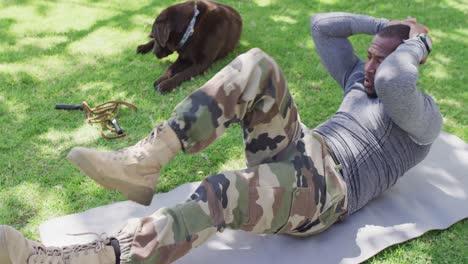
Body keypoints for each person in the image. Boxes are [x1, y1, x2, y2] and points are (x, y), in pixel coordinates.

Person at [0, 12, 442, 264]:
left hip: (327, 192)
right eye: (369, 57)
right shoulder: (357, 81)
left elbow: (395, 83)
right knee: (258, 64)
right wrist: (387, 26)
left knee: (219, 193)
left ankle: (84, 260)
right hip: (305, 147)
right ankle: (146, 160)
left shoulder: (421, 118)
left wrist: (416, 44)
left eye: (381, 61)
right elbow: (321, 26)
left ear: (411, 63)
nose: (370, 68)